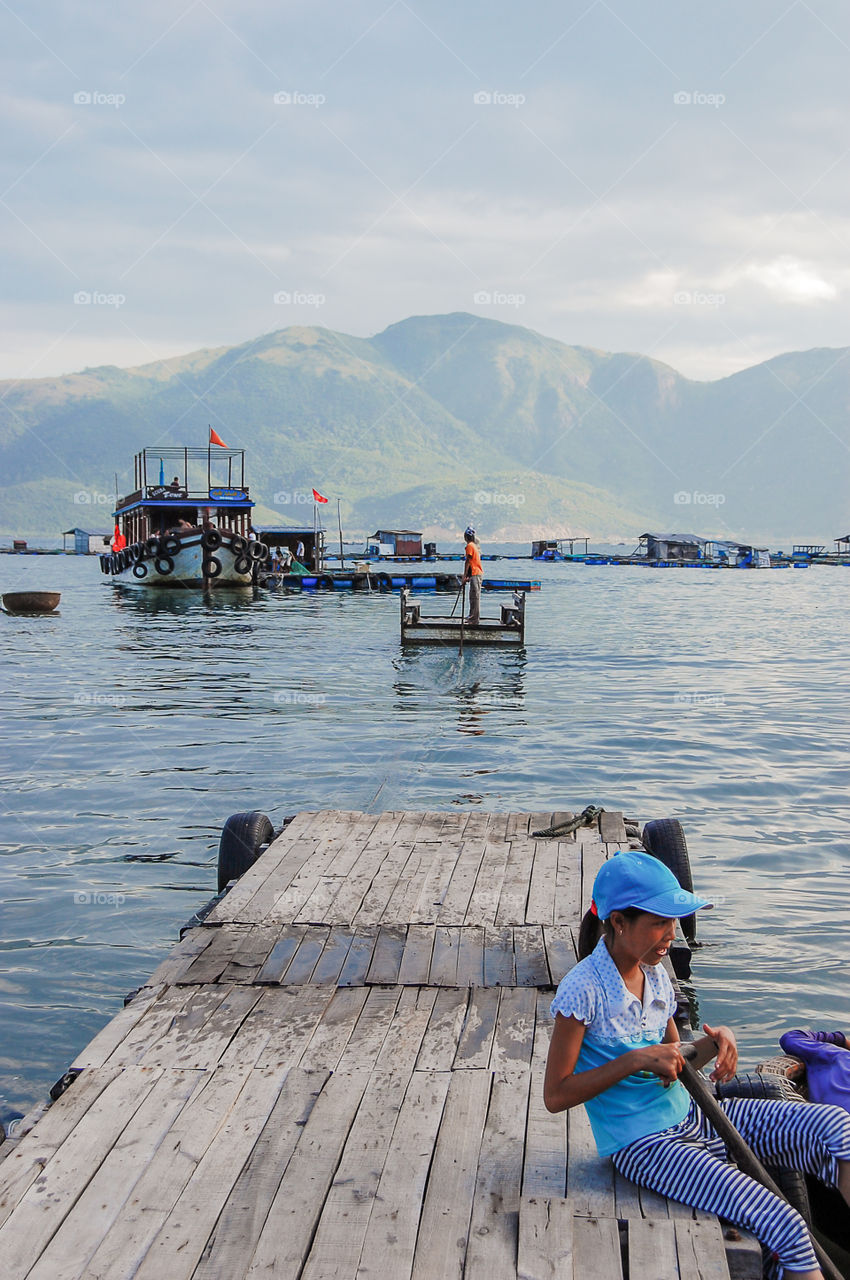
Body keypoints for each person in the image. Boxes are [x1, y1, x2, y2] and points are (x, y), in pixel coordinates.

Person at [543, 851, 850, 1280]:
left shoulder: (655, 977)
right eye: (660, 923)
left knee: (838, 1128)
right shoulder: (584, 989)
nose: (672, 935)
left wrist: (713, 1045)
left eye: (674, 923)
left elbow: (678, 1062)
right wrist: (634, 1060)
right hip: (646, 1145)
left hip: (697, 1117)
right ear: (618, 922)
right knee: (785, 1224)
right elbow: (556, 1095)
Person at [462, 525, 483, 625]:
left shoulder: (470, 546)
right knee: (472, 596)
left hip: (476, 574)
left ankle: (474, 619)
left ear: (466, 536)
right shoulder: (472, 545)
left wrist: (464, 575)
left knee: (475, 596)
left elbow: (468, 561)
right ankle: (471, 616)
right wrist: (467, 576)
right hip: (474, 574)